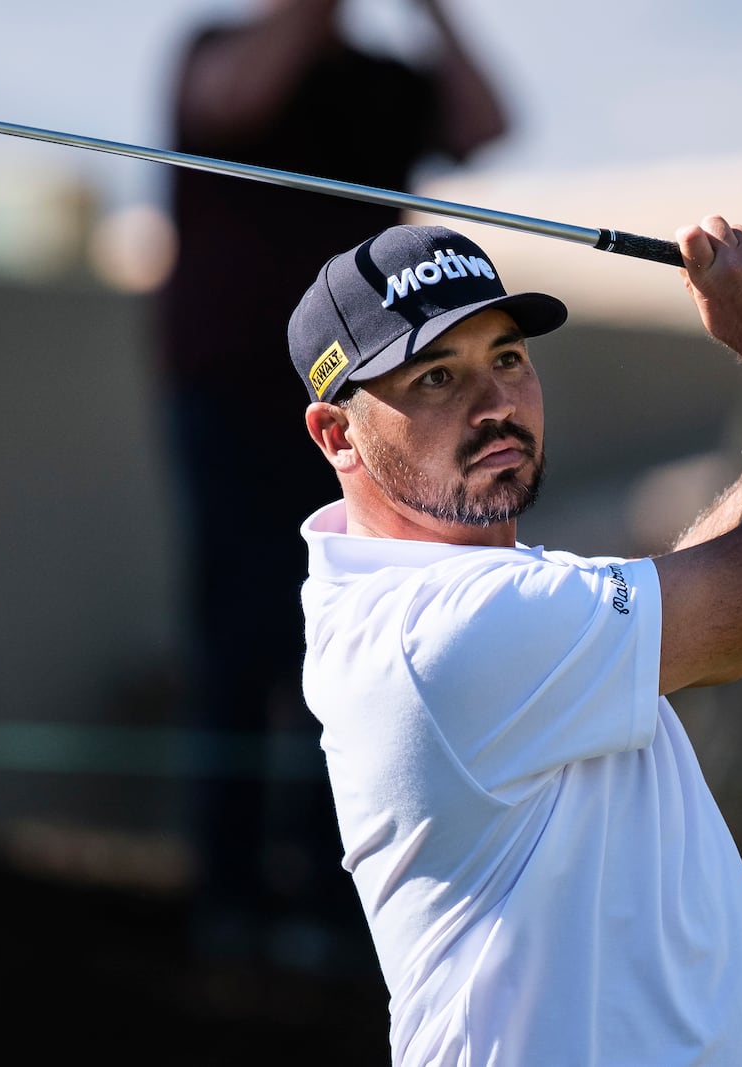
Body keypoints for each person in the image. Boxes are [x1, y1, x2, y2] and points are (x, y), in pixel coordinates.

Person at [286, 219, 742, 1063]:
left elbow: (732, 626)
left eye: (508, 358)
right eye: (439, 376)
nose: (494, 405)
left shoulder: (486, 589)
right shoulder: (440, 631)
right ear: (337, 435)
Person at [153, 0, 509, 968]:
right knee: (239, 635)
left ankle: (331, 888)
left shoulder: (385, 81)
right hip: (230, 390)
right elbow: (239, 100)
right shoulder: (215, 47)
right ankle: (226, 891)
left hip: (372, 403)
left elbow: (485, 125)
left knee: (363, 631)